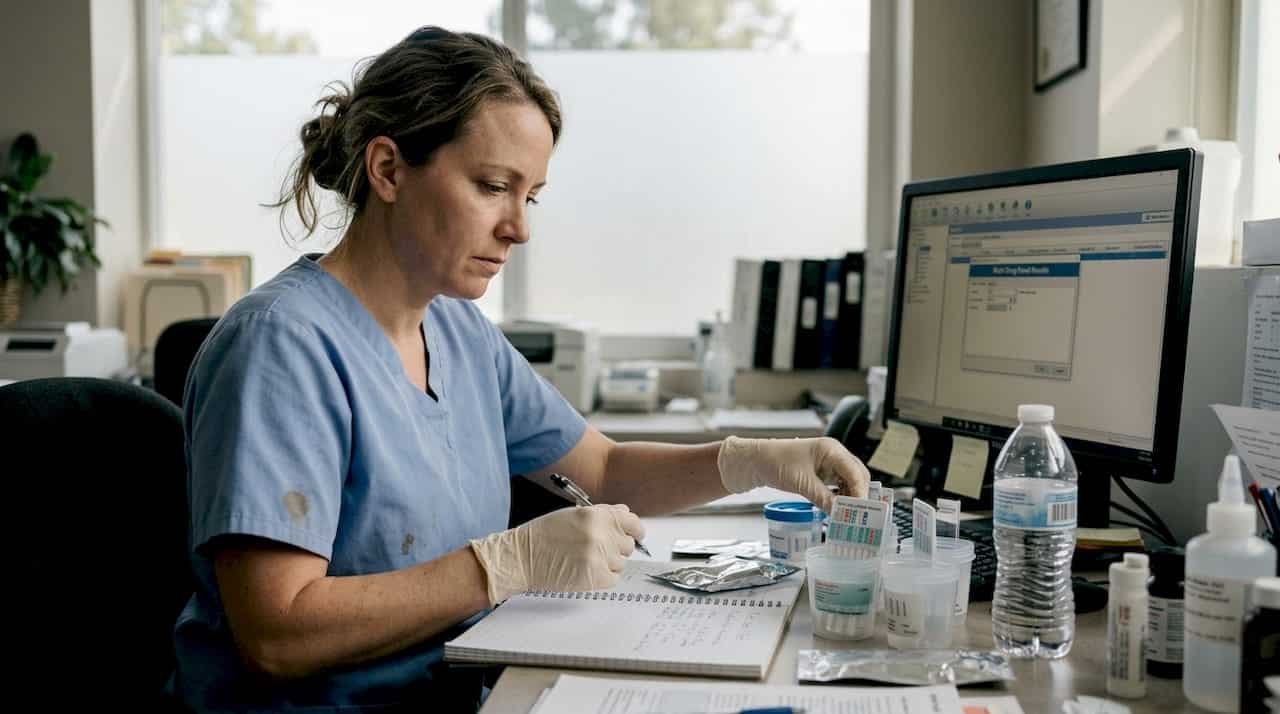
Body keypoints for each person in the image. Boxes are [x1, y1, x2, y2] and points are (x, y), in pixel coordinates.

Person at [172, 25, 871, 712]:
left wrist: (749, 461)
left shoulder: (455, 327)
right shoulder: (280, 347)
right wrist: (502, 566)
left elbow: (602, 471)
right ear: (388, 170)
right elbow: (278, 633)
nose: (519, 227)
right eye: (491, 186)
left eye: (529, 195)